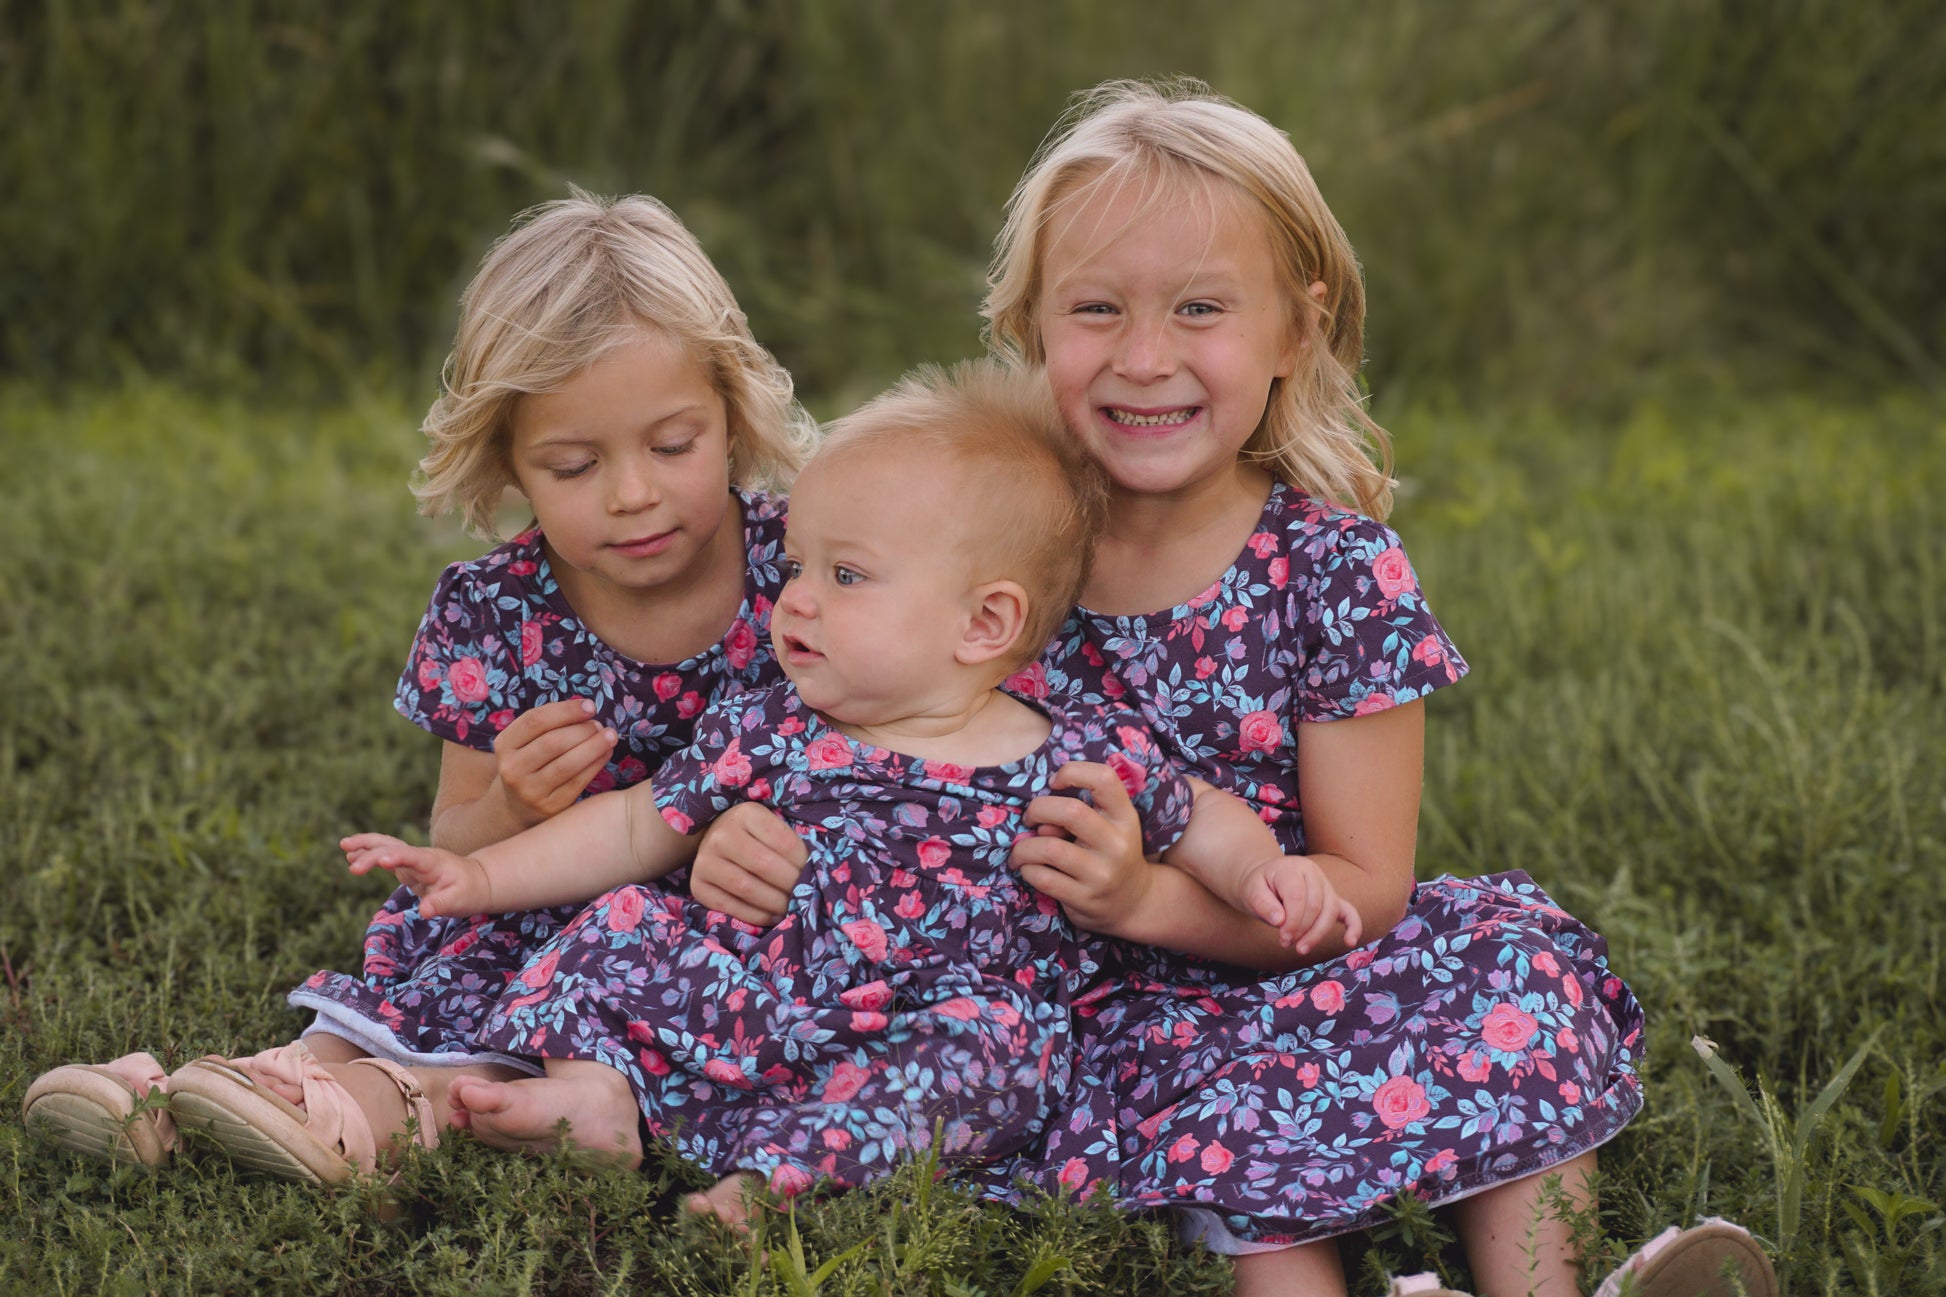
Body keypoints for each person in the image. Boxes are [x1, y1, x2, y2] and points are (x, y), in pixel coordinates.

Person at [690, 82, 1775, 1297]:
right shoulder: (957, 550)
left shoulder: (1330, 572)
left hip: (1287, 958)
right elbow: (808, 712)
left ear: (1291, 331)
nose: (1144, 357)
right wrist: (742, 826)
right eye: (1095, 309)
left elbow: (1365, 886)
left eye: (1198, 309)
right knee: (1212, 1125)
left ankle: (1549, 1288)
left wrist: (1145, 900)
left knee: (1503, 963)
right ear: (1031, 325)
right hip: (1054, 1016)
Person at [333, 360, 1366, 1224]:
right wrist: (473, 871)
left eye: (847, 576)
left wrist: (1271, 878)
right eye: (796, 567)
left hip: (936, 1020)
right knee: (621, 925)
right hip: (764, 991)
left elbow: (1200, 818)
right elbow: (632, 824)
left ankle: (778, 1180)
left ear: (982, 623)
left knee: (999, 1056)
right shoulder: (770, 722)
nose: (796, 601)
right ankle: (598, 1096)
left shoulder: (1080, 751)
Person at [21, 190, 814, 1179]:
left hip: (707, 921)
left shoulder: (808, 567)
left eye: (672, 445)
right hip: (528, 897)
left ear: (732, 414)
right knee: (443, 970)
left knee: (554, 1004)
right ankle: (224, 1091)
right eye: (573, 464)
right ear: (512, 463)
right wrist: (515, 803)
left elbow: (895, 755)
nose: (632, 493)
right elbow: (458, 840)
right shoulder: (493, 607)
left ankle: (374, 1115)